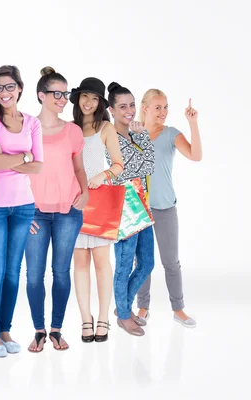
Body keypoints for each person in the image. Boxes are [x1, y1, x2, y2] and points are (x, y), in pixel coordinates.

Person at [25, 67, 88, 352]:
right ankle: (38, 330)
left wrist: (85, 192)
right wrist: (22, 212)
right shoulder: (26, 127)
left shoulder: (73, 130)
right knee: (34, 275)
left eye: (66, 93)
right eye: (58, 93)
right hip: (34, 214)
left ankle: (57, 330)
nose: (64, 99)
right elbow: (15, 172)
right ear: (42, 95)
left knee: (61, 273)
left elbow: (78, 167)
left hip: (67, 212)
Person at [0, 65, 42, 357]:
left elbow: (39, 166)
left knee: (13, 274)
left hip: (23, 206)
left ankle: (5, 330)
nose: (4, 93)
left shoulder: (32, 122)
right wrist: (23, 156)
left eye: (9, 87)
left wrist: (6, 157)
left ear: (19, 88)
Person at [136, 89, 202, 328]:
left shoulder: (172, 134)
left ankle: (178, 309)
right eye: (157, 107)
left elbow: (196, 155)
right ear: (145, 108)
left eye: (165, 107)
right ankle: (142, 307)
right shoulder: (133, 134)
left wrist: (193, 123)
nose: (163, 112)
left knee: (171, 262)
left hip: (165, 208)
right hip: (140, 209)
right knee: (142, 261)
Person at [71, 77, 123, 343]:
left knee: (102, 262)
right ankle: (85, 319)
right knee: (79, 262)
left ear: (101, 102)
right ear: (78, 99)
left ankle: (103, 317)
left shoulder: (106, 127)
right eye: (84, 97)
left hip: (100, 201)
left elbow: (118, 165)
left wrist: (102, 175)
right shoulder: (68, 128)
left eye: (94, 98)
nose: (89, 102)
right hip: (74, 202)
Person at [106, 82, 155, 336]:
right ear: (111, 110)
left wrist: (140, 136)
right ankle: (124, 315)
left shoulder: (132, 136)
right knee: (124, 264)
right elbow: (142, 167)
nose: (129, 111)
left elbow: (150, 165)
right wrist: (144, 136)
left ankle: (122, 306)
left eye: (132, 105)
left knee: (147, 263)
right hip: (124, 208)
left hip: (142, 205)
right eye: (123, 106)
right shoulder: (110, 138)